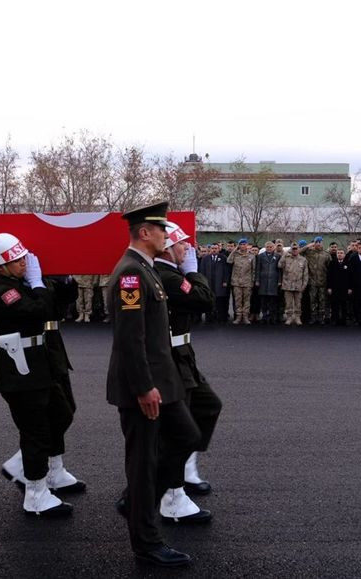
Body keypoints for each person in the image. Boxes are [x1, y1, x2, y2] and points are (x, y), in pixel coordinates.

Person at [106, 201, 200, 568]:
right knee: (143, 463)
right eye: (162, 229)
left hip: (163, 382)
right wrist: (144, 387)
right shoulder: (131, 273)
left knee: (187, 437)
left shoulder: (146, 268)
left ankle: (135, 502)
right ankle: (146, 541)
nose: (167, 235)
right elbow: (130, 339)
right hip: (143, 387)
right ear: (145, 232)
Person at [0, 232, 82, 517]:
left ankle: (27, 467)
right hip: (20, 368)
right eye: (16, 259)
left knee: (61, 413)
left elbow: (56, 305)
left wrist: (61, 280)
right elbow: (39, 310)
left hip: (37, 363)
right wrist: (39, 284)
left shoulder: (20, 283)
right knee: (36, 430)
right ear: (1, 264)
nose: (23, 263)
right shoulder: (4, 291)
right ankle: (36, 493)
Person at [154, 221, 220, 515]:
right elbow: (205, 300)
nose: (187, 249)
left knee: (207, 406)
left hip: (182, 354)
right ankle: (172, 495)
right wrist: (193, 273)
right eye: (182, 244)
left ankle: (185, 466)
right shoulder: (168, 276)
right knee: (176, 427)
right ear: (167, 248)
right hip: (171, 358)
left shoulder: (171, 273)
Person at [278, 242, 309, 326]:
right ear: (291, 250)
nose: (295, 250)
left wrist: (304, 285)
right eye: (293, 249)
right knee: (288, 303)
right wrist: (284, 255)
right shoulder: (286, 258)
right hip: (287, 284)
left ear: (299, 249)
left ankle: (297, 317)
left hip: (298, 285)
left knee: (298, 303)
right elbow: (279, 265)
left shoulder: (303, 259)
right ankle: (289, 317)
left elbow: (305, 274)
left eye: (296, 249)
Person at [227, 238, 256, 325]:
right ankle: (238, 316)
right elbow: (229, 261)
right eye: (241, 244)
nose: (242, 246)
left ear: (247, 245)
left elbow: (253, 269)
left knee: (247, 300)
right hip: (237, 281)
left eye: (244, 244)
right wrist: (235, 250)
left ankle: (245, 316)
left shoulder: (251, 255)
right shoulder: (235, 254)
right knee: (238, 300)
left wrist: (253, 281)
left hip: (247, 282)